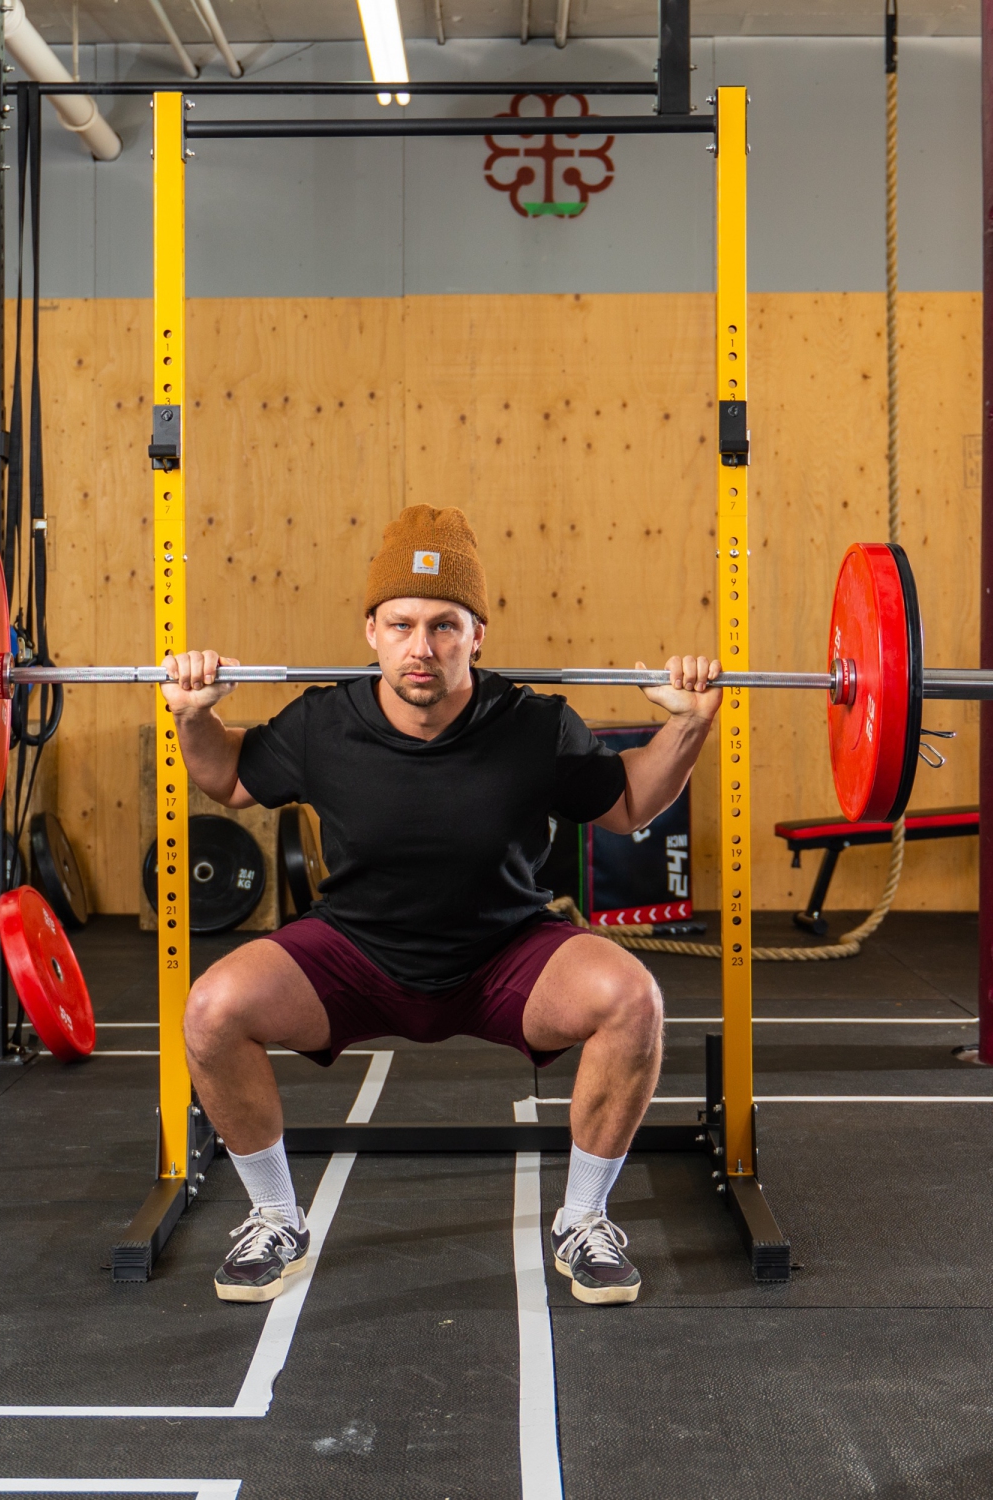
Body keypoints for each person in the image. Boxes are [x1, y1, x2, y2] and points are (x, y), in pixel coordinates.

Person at [163, 505, 721, 1307]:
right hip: (355, 954)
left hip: (505, 953)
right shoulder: (323, 723)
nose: (420, 648)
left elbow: (629, 803)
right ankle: (276, 1216)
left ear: (477, 635)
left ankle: (585, 1219)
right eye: (401, 625)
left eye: (444, 626)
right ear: (372, 631)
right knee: (212, 1010)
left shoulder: (534, 725)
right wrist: (195, 714)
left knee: (632, 1000)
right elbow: (227, 777)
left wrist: (691, 726)